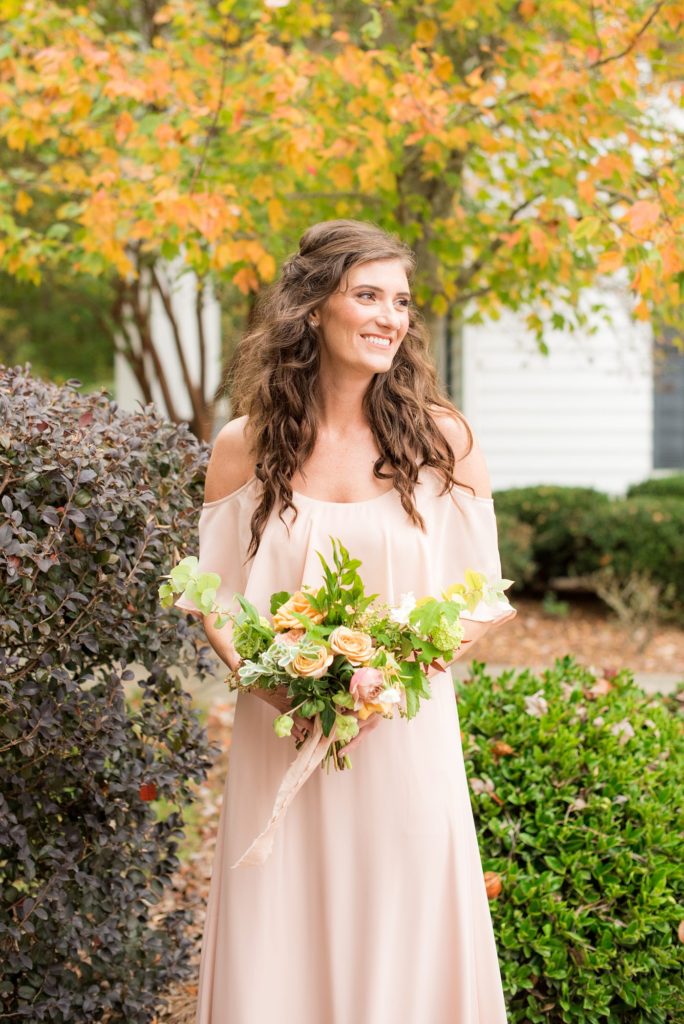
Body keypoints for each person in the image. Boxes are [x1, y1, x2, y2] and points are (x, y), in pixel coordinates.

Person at [175, 218, 517, 1023]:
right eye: (367, 295)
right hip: (278, 739)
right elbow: (214, 600)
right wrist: (281, 691)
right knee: (283, 933)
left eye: (400, 301)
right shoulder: (244, 446)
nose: (390, 317)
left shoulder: (444, 441)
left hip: (403, 738)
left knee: (403, 928)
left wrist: (386, 682)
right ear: (311, 308)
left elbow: (480, 599)